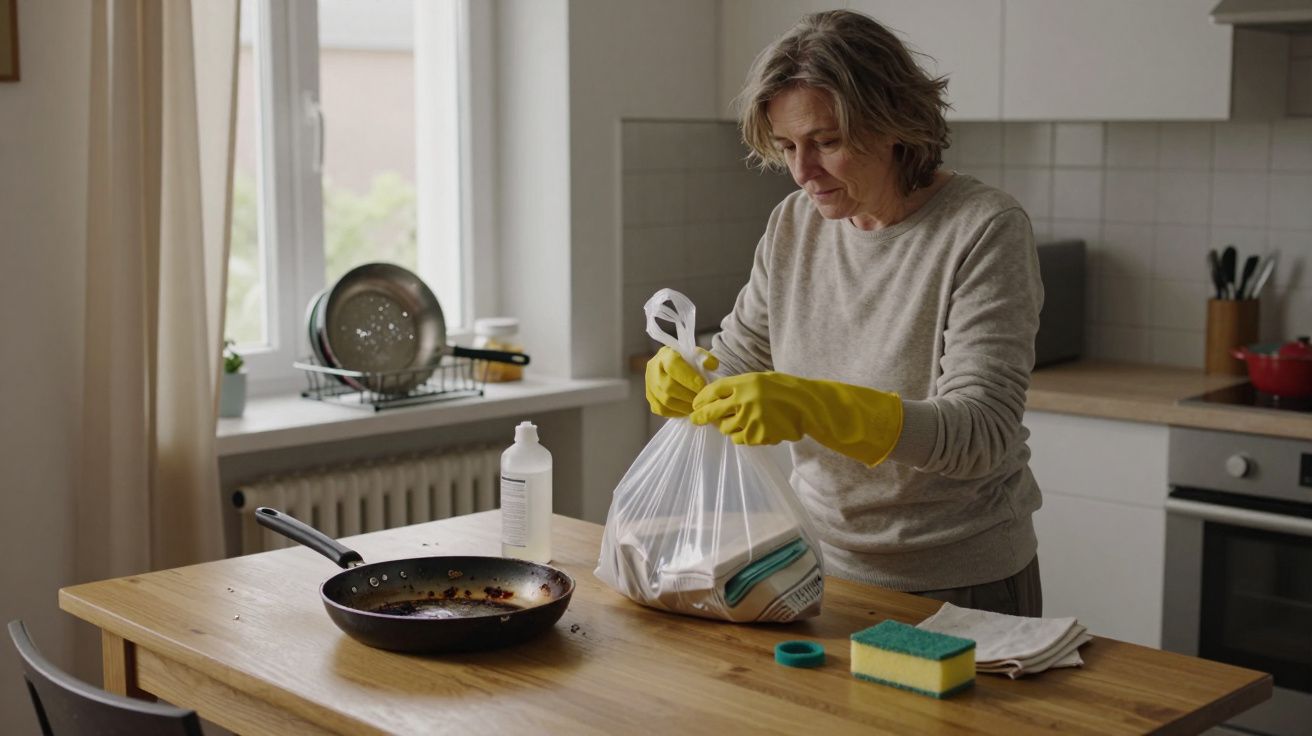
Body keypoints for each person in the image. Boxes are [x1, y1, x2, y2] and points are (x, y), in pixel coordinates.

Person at [645, 9, 1044, 617]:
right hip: (816, 563)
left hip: (960, 578)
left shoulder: (983, 228)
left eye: (826, 143)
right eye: (787, 147)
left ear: (894, 124)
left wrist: (813, 405)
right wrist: (691, 372)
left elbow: (980, 434)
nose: (802, 173)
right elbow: (739, 357)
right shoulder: (794, 223)